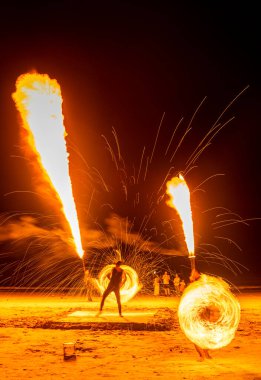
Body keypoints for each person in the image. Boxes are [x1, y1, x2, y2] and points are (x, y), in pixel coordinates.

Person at [189, 268, 212, 361]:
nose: (192, 273)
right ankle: (202, 354)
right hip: (197, 312)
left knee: (204, 334)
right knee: (196, 335)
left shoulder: (202, 283)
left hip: (204, 311)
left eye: (194, 272)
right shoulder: (195, 283)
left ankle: (205, 354)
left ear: (198, 273)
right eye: (192, 272)